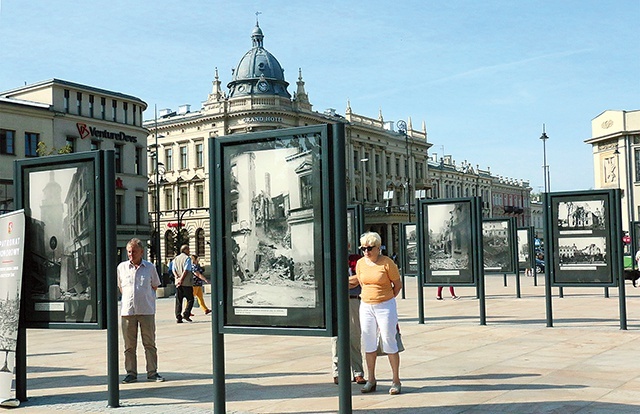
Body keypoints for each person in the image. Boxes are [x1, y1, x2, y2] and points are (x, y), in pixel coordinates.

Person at [350, 231, 403, 395]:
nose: (366, 251)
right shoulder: (360, 263)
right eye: (363, 248)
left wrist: (387, 298)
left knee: (389, 341)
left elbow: (397, 285)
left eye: (370, 248)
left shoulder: (387, 263)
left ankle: (396, 380)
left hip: (385, 305)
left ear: (378, 248)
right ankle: (371, 379)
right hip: (366, 305)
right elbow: (359, 281)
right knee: (369, 342)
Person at [117, 238, 164, 383]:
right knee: (129, 346)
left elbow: (155, 285)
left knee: (149, 343)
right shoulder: (121, 267)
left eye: (134, 252)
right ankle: (131, 373)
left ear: (141, 252)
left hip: (146, 310)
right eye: (129, 252)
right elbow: (121, 287)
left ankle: (152, 372)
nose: (131, 254)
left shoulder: (150, 267)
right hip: (128, 312)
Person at [331, 245, 365, 385]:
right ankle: (337, 372)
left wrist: (343, 281)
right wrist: (350, 281)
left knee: (355, 336)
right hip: (337, 301)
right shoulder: (331, 259)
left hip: (353, 300)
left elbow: (361, 278)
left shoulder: (357, 260)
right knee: (336, 338)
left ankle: (358, 372)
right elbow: (333, 281)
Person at [173, 245, 195, 323]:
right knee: (190, 299)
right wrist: (182, 279)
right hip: (186, 283)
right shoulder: (187, 258)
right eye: (188, 249)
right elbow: (186, 270)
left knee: (179, 300)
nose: (189, 251)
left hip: (178, 283)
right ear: (185, 250)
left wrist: (177, 278)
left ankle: (178, 316)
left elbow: (173, 269)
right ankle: (186, 313)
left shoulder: (176, 258)